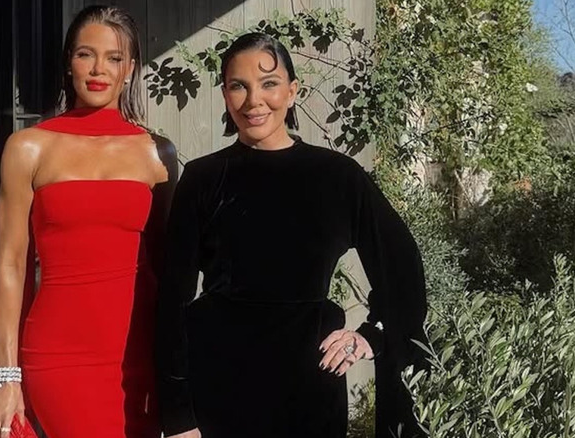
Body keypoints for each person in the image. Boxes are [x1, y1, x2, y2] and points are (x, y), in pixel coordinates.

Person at [156, 33, 427, 438]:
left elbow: (402, 267)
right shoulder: (202, 180)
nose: (253, 101)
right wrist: (178, 416)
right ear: (225, 95)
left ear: (292, 91)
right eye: (238, 86)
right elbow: (171, 299)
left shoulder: (337, 178)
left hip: (310, 394)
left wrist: (371, 335)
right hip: (218, 391)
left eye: (268, 84)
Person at [0, 5, 177, 438]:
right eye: (85, 54)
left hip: (138, 353)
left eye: (113, 58)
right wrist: (6, 377)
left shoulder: (158, 153)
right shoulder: (28, 148)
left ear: (130, 69)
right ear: (68, 61)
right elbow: (11, 265)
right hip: (60, 354)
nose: (98, 69)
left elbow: (170, 267)